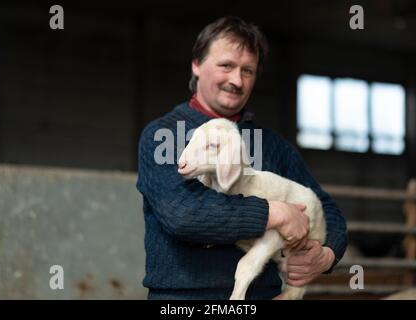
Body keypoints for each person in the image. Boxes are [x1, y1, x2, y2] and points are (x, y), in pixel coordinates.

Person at [136, 16, 348, 300]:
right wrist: (274, 213)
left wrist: (326, 254)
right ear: (196, 64)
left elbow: (327, 209)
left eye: (247, 71)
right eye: (226, 66)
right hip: (184, 299)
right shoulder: (164, 135)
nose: (237, 80)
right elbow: (183, 214)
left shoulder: (272, 146)